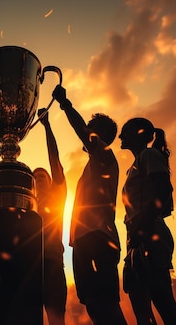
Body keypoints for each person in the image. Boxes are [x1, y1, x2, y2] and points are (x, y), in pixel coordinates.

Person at [52, 86, 127, 325]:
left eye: (91, 129)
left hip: (98, 238)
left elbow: (81, 130)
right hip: (85, 240)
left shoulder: (104, 154)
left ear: (100, 134)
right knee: (94, 305)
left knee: (105, 304)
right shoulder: (93, 164)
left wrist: (65, 104)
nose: (86, 133)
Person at [119, 118, 176, 325]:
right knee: (141, 307)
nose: (121, 136)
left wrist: (143, 227)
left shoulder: (148, 155)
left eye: (125, 131)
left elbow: (164, 190)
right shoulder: (134, 166)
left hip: (148, 233)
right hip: (138, 236)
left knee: (163, 301)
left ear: (140, 134)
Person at [33, 108, 67, 325]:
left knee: (56, 319)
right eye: (34, 177)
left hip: (54, 263)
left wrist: (47, 126)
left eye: (42, 176)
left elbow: (55, 161)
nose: (38, 179)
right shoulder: (28, 208)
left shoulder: (57, 197)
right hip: (31, 268)